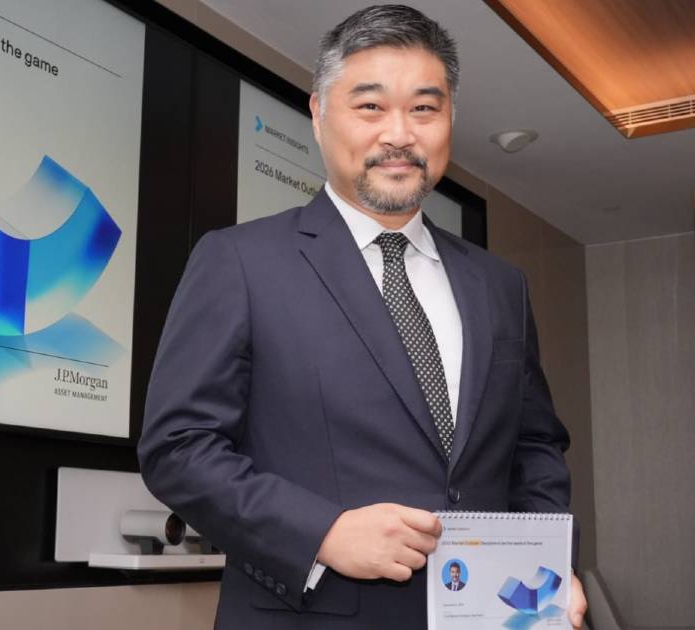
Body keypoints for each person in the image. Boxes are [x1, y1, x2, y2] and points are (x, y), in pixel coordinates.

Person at [139, 5, 587, 629]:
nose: (399, 134)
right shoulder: (240, 261)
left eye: (424, 108)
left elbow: (533, 447)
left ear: (449, 120)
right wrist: (322, 532)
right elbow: (178, 448)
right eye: (371, 106)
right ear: (320, 113)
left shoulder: (499, 284)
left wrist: (548, 563)